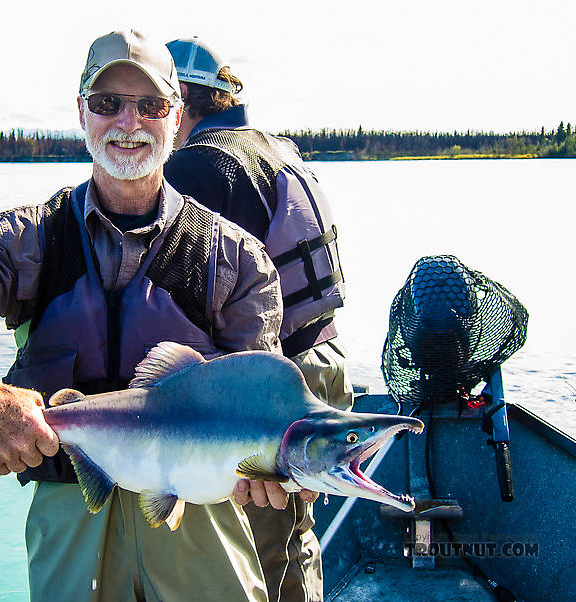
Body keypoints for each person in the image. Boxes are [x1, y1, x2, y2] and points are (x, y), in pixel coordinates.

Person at [0, 29, 297, 602]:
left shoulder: (237, 258)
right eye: (108, 103)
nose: (129, 122)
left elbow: (262, 400)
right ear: (82, 112)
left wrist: (283, 470)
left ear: (176, 114)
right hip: (68, 516)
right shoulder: (23, 239)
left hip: (200, 522)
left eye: (150, 105)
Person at [164, 37, 354, 602]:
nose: (150, 118)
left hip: (275, 379)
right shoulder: (275, 148)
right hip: (323, 360)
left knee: (259, 542)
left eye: (157, 102)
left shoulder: (200, 165)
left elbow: (183, 289)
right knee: (292, 537)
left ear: (182, 99)